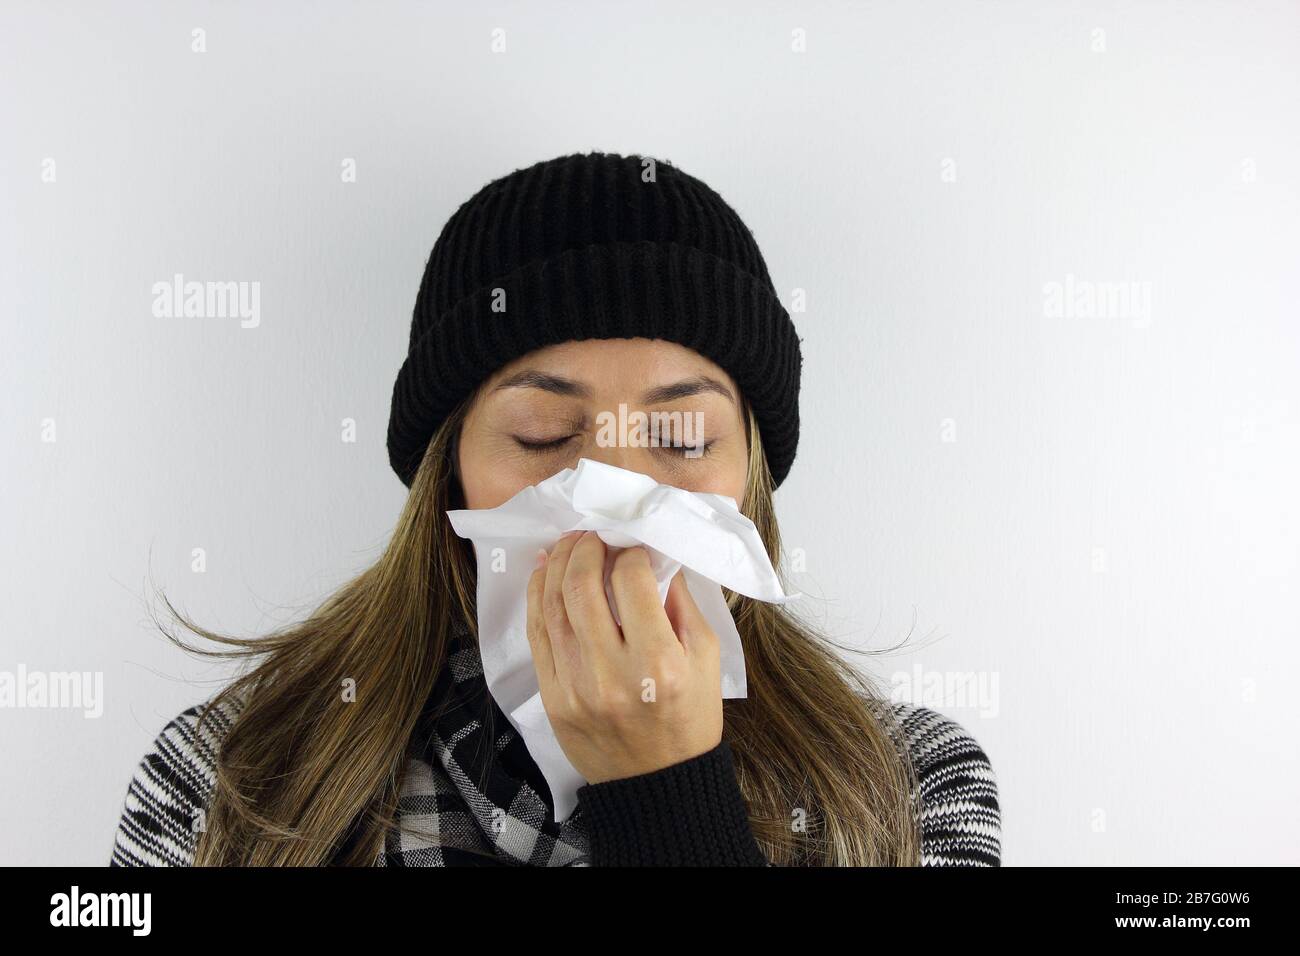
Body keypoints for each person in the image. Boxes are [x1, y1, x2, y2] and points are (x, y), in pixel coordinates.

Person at [109, 150, 1000, 867]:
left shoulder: (907, 792)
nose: (612, 500)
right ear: (447, 472)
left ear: (750, 474)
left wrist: (670, 800)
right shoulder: (236, 779)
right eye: (542, 435)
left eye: (685, 438)